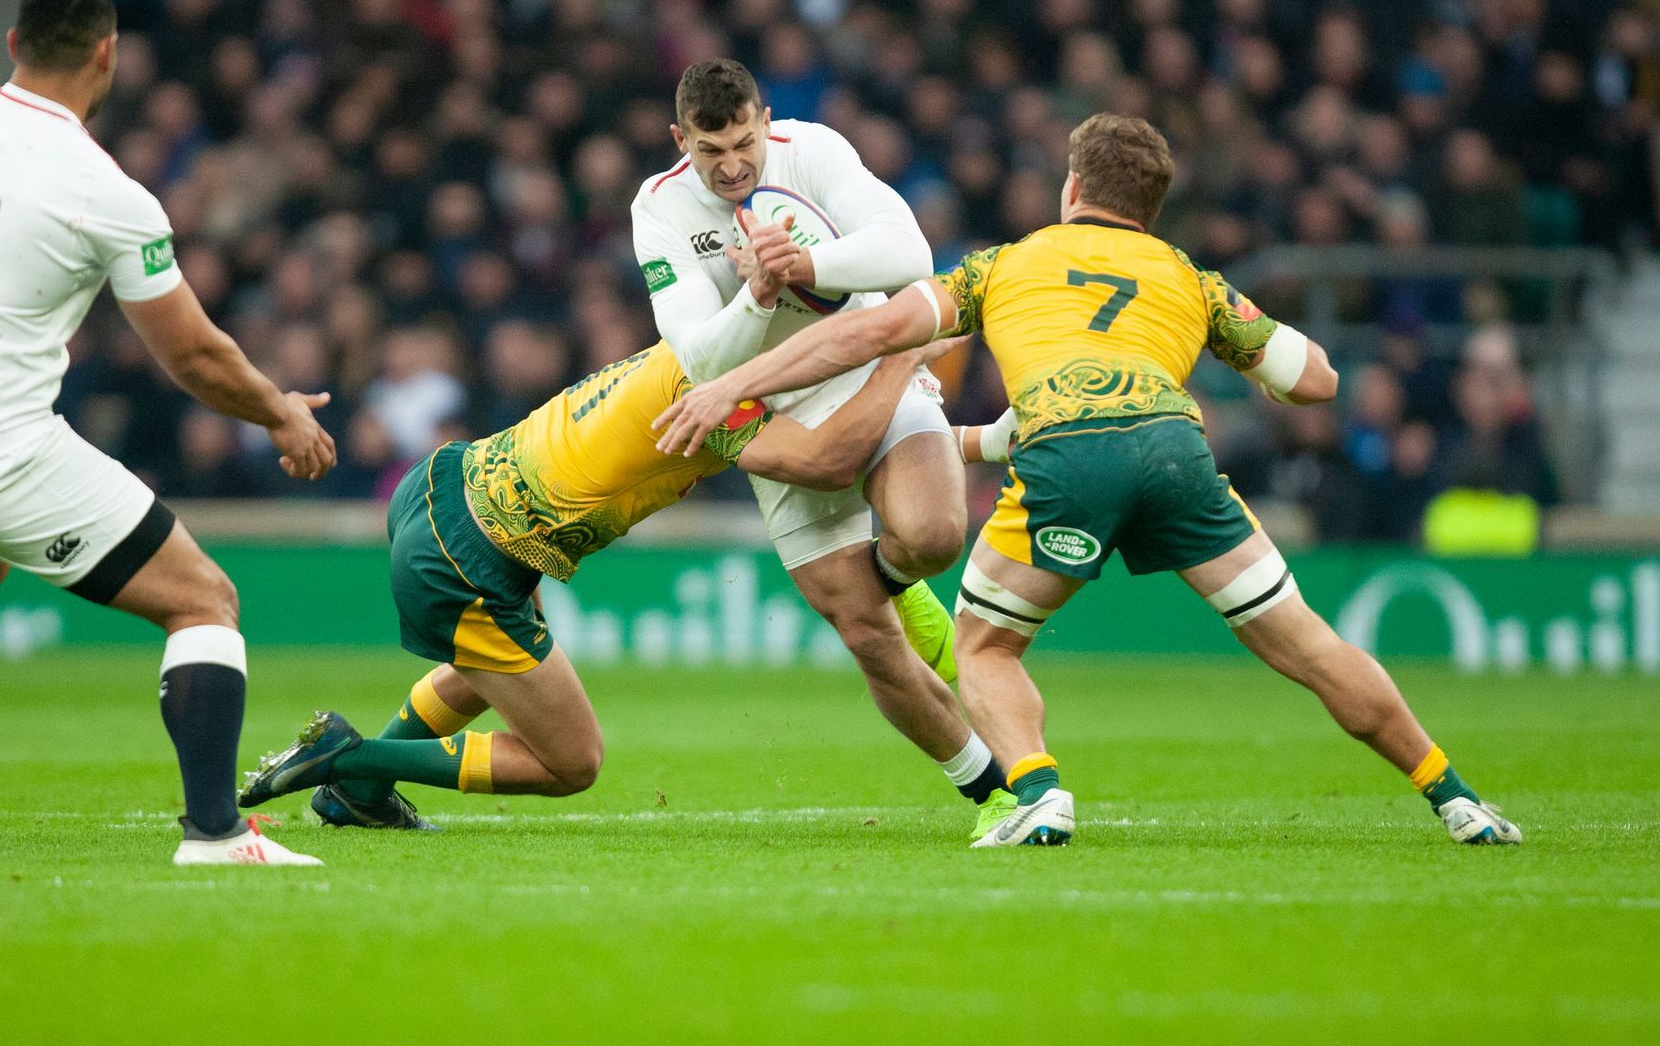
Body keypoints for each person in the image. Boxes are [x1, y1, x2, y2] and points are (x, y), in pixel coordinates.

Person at [656, 113, 1520, 849]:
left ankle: (1038, 794)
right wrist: (1245, 353)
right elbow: (1319, 381)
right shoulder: (1192, 279)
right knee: (1302, 640)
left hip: (1070, 452)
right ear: (1153, 206)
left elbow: (866, 335)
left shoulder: (1002, 265)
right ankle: (1456, 798)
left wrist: (732, 384)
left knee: (986, 644)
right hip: (1178, 452)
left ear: (1072, 190)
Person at [0, 0, 336, 867]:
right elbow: (192, 357)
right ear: (108, 56)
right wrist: (279, 413)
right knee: (205, 600)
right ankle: (214, 833)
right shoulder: (107, 192)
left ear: (12, 45)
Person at [237, 338, 957, 822]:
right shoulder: (721, 394)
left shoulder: (690, 343)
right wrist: (899, 362)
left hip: (446, 484)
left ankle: (354, 795)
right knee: (571, 761)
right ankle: (348, 755)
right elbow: (827, 461)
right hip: (471, 554)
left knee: (491, 671)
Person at [630, 59, 1016, 839]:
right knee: (867, 635)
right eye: (711, 151)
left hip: (867, 369)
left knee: (937, 537)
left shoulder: (813, 149)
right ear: (681, 141)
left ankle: (897, 573)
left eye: (744, 142)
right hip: (768, 406)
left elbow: (907, 253)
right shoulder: (659, 208)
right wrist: (760, 294)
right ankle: (995, 791)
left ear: (765, 121)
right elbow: (704, 360)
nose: (733, 164)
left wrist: (807, 264)